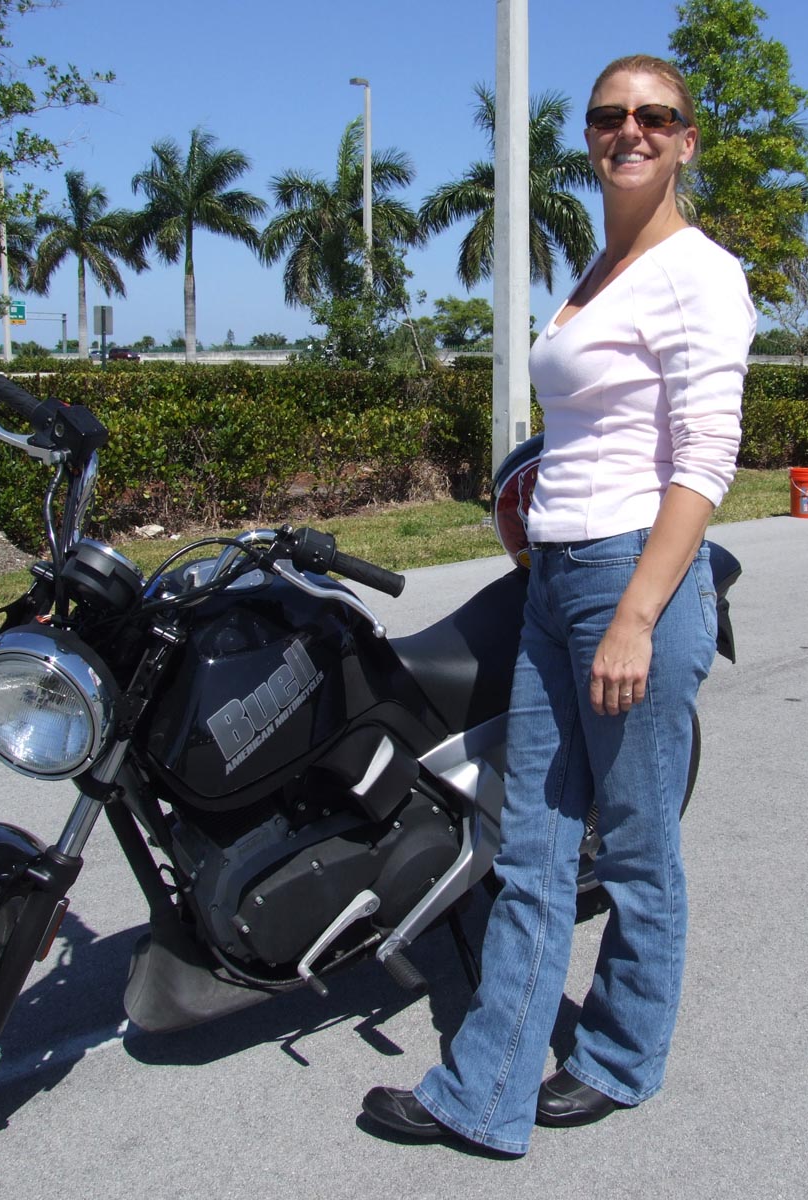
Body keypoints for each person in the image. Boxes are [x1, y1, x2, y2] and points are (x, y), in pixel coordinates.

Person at [361, 54, 756, 1157]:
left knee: (633, 846)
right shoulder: (604, 267)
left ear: (685, 140)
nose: (630, 131)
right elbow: (590, 429)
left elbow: (706, 460)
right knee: (529, 844)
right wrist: (529, 514)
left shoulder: (699, 272)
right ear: (590, 136)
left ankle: (621, 1057)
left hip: (634, 581)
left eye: (654, 116)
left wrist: (636, 616)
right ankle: (485, 1093)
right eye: (608, 116)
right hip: (553, 579)